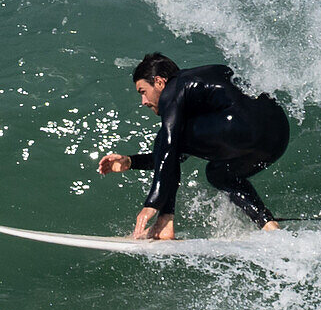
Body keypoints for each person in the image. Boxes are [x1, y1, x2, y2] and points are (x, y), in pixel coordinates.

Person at [99, 53, 289, 240]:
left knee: (164, 138)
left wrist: (153, 202)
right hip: (278, 134)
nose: (144, 102)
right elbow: (175, 155)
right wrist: (131, 161)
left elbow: (169, 147)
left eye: (143, 92)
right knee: (219, 174)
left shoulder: (172, 89)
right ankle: (269, 226)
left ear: (159, 82)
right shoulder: (199, 88)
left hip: (241, 126)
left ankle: (165, 223)